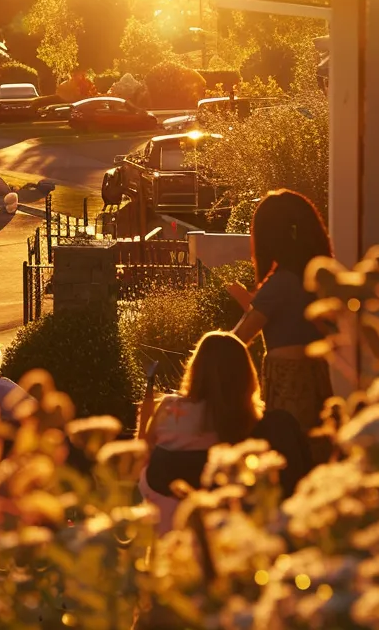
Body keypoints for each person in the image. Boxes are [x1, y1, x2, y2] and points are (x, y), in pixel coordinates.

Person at [228, 190, 335, 433]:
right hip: (319, 380)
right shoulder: (317, 280)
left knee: (288, 450)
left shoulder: (280, 283)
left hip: (288, 388)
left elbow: (237, 340)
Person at [138, 331, 264, 533]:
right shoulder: (245, 419)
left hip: (161, 499)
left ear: (196, 367)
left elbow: (143, 449)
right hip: (216, 510)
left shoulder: (169, 407)